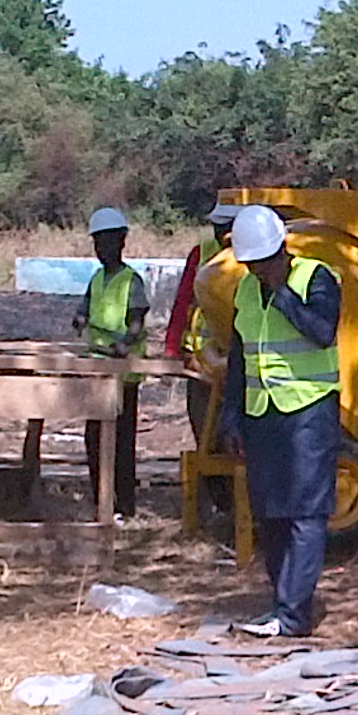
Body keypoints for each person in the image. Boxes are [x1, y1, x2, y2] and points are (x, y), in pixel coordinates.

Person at [218, 203, 341, 638]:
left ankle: (294, 615)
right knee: (270, 511)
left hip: (309, 411)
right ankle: (279, 605)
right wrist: (231, 418)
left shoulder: (316, 278)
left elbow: (323, 330)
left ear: (282, 251)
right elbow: (240, 358)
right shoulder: (246, 291)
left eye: (264, 263)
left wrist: (283, 293)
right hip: (262, 413)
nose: (257, 271)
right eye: (250, 265)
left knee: (306, 513)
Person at [73, 207, 149, 514]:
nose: (102, 249)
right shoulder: (97, 279)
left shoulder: (132, 280)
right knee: (93, 439)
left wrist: (124, 344)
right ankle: (100, 498)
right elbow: (85, 308)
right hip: (96, 370)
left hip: (122, 373)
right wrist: (79, 319)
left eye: (108, 242)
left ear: (122, 242)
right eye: (98, 243)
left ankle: (125, 504)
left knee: (121, 441)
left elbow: (137, 321)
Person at [166, 202, 240, 448]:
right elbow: (183, 300)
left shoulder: (255, 257)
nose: (221, 235)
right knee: (206, 438)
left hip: (236, 363)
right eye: (217, 228)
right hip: (201, 363)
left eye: (226, 228)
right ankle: (212, 485)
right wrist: (173, 348)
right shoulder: (202, 253)